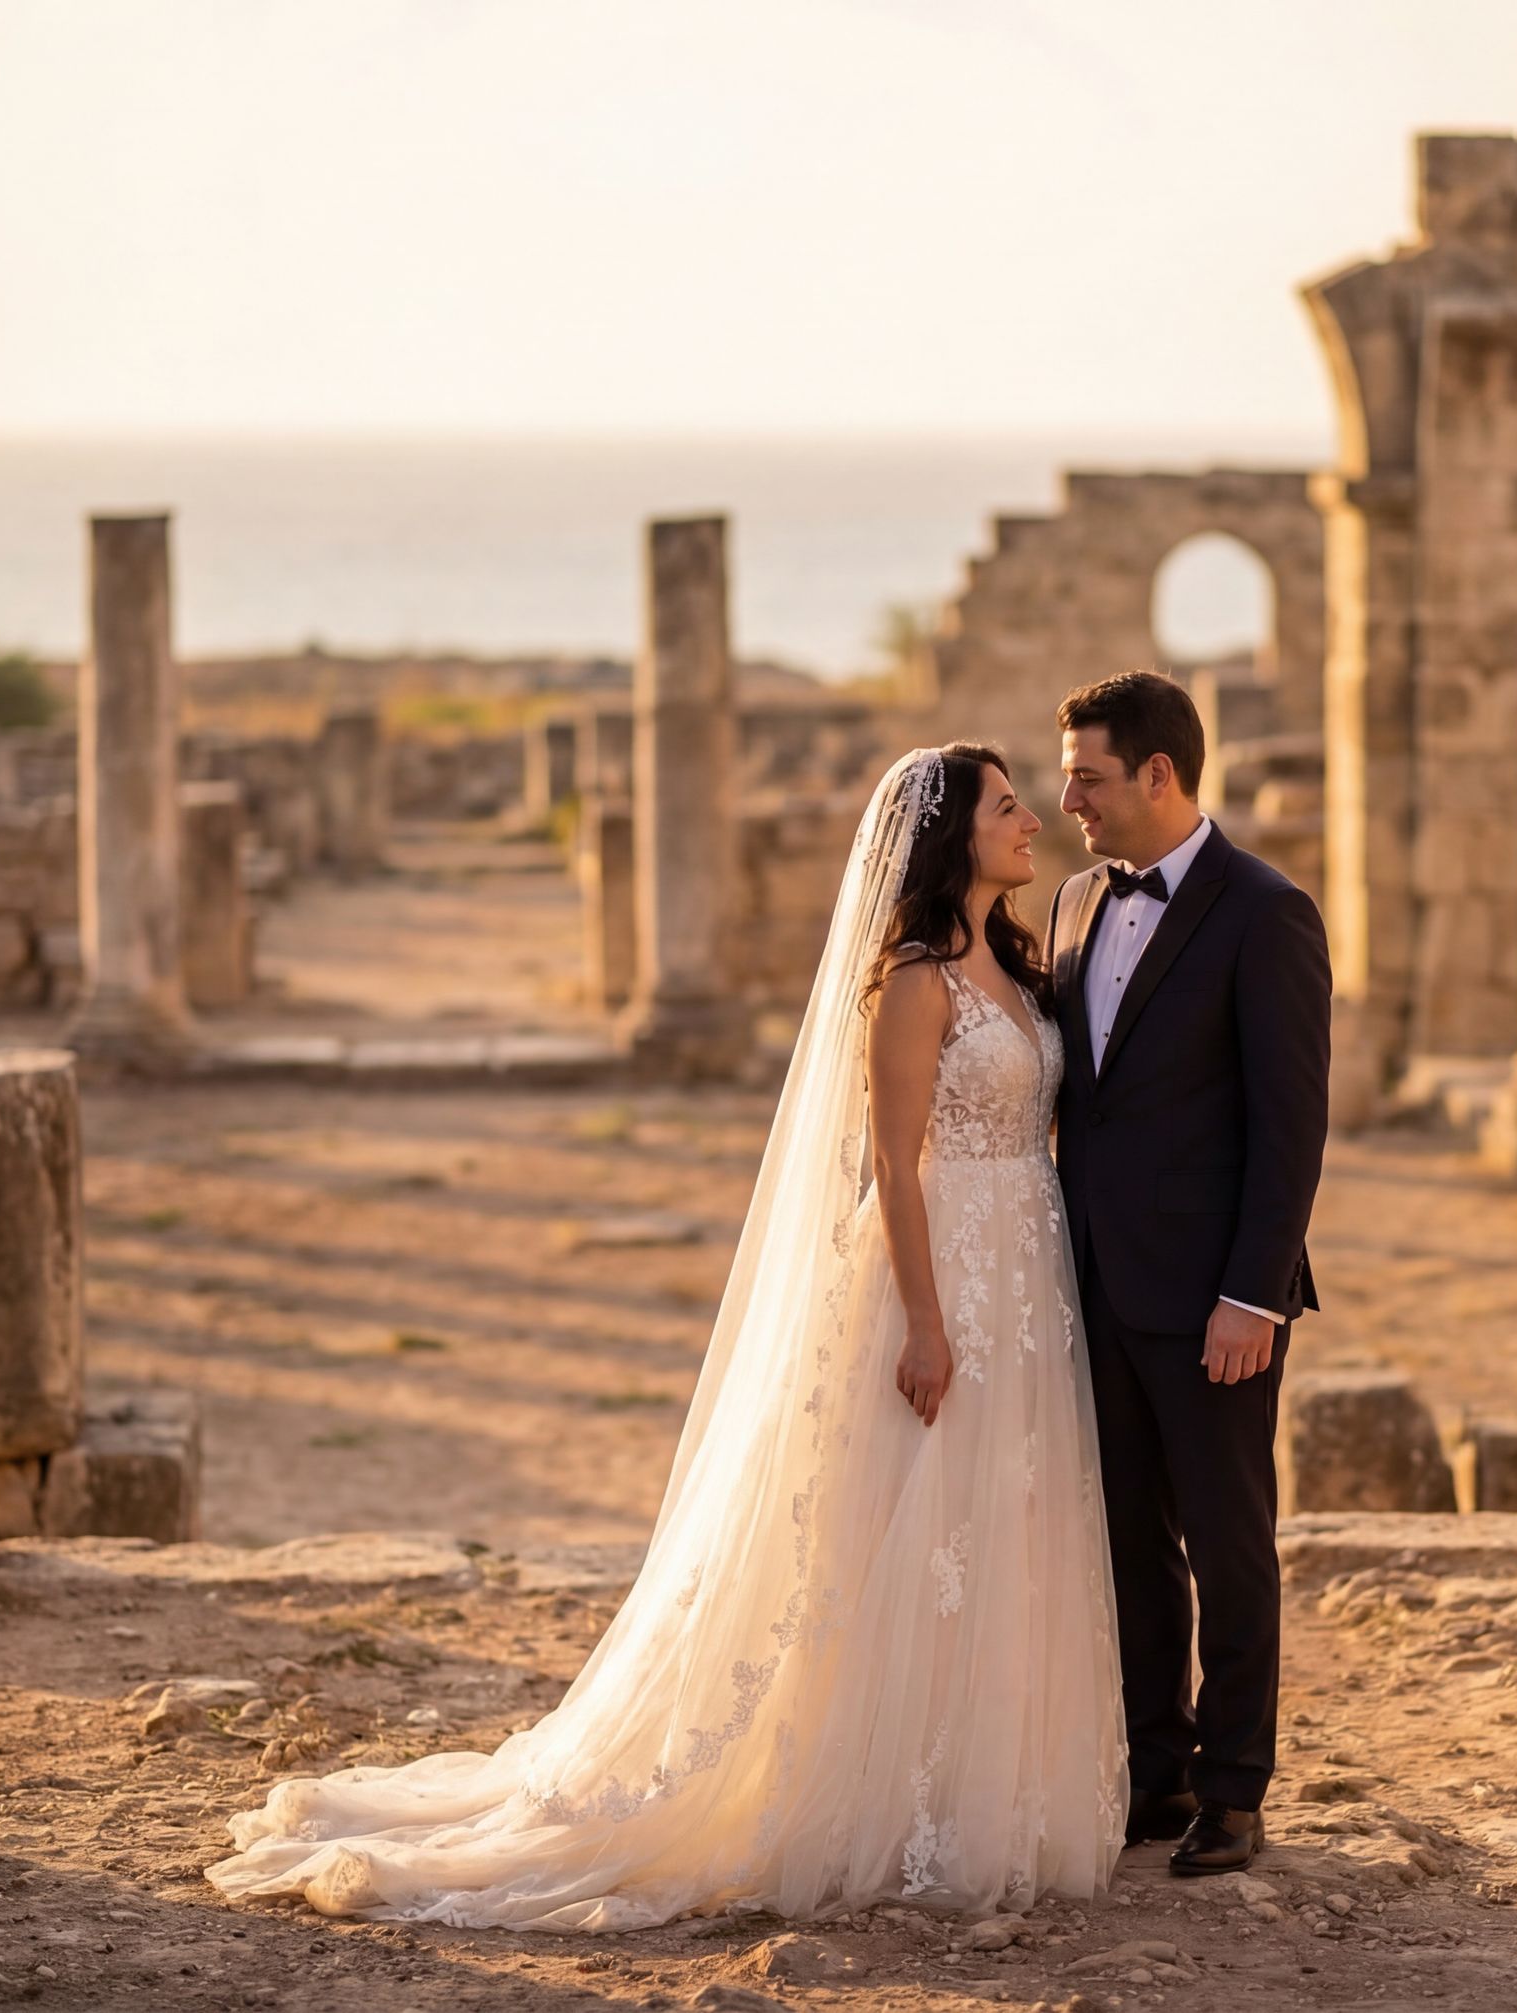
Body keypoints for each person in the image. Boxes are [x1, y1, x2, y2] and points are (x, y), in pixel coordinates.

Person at [207, 743, 1126, 1929]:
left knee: (1002, 1520)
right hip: (939, 1266)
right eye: (1008, 807)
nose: (1032, 821)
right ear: (954, 835)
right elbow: (893, 1160)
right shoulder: (911, 981)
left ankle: (971, 1779)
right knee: (899, 1526)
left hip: (1026, 1264)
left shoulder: (1017, 961)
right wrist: (928, 1323)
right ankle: (862, 1792)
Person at [1047, 670, 1331, 1878]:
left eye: (1090, 777)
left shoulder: (1266, 911)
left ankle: (1235, 1789)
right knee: (1122, 1539)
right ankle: (1152, 1772)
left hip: (1216, 1296)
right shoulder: (1070, 902)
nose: (1071, 800)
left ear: (1159, 774)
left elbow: (1291, 1126)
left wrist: (1252, 1295)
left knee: (1228, 1541)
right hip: (1090, 1284)